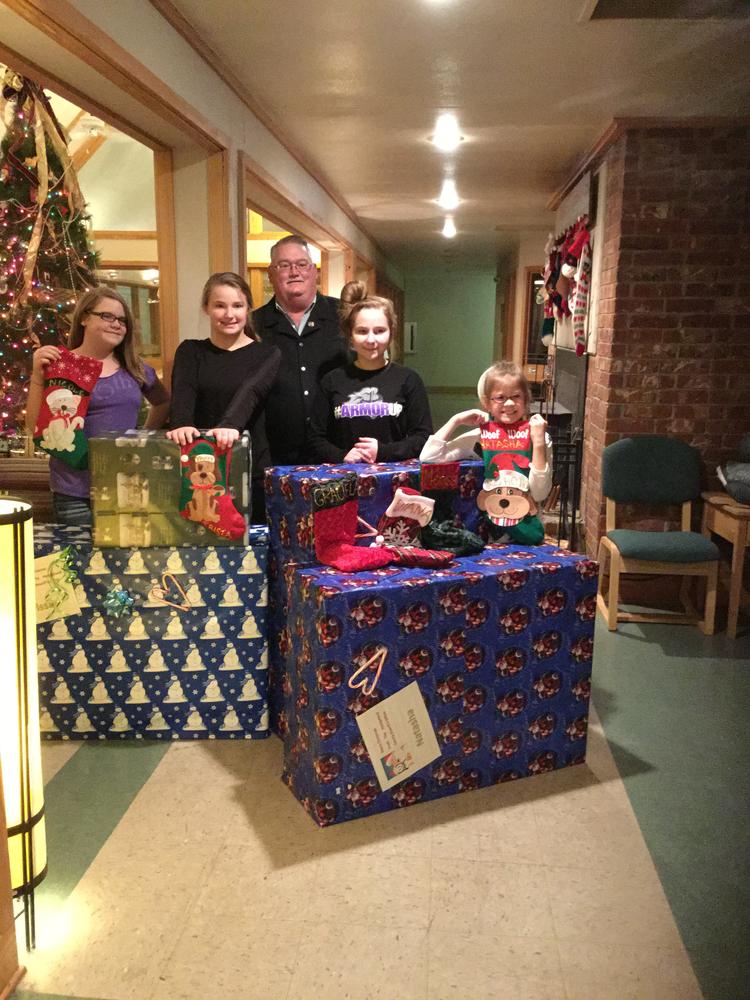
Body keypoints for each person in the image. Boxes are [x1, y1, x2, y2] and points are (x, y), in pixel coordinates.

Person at [26, 287, 170, 527]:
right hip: (74, 492)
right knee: (78, 563)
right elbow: (34, 427)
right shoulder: (61, 366)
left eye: (122, 320)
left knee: (125, 562)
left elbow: (163, 402)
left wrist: (143, 434)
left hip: (126, 487)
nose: (117, 324)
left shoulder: (136, 369)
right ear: (84, 317)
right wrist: (38, 376)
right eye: (107, 316)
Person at [167, 272, 281, 521]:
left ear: (248, 307)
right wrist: (181, 423)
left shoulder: (268, 354)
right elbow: (183, 391)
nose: (229, 314)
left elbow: (251, 391)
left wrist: (229, 426)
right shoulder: (190, 351)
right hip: (198, 470)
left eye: (237, 305)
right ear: (206, 308)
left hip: (250, 473)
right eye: (220, 305)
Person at [421, 360, 552, 542]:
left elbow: (539, 493)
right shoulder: (481, 436)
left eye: (516, 396)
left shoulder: (538, 437)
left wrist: (537, 443)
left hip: (527, 529)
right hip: (489, 531)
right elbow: (429, 457)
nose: (508, 404)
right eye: (500, 397)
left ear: (526, 399)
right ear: (486, 402)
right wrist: (456, 420)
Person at [308, 281, 432, 463]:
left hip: (395, 481)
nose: (371, 339)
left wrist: (383, 451)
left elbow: (423, 438)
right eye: (362, 331)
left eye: (380, 331)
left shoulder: (408, 379)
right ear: (350, 336)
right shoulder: (332, 381)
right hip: (343, 481)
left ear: (391, 333)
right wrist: (341, 455)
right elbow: (315, 438)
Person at [252, 235, 348, 465]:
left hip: (340, 453)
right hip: (275, 457)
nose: (294, 272)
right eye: (284, 265)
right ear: (271, 274)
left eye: (302, 264)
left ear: (314, 271)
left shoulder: (345, 316)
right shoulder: (252, 325)